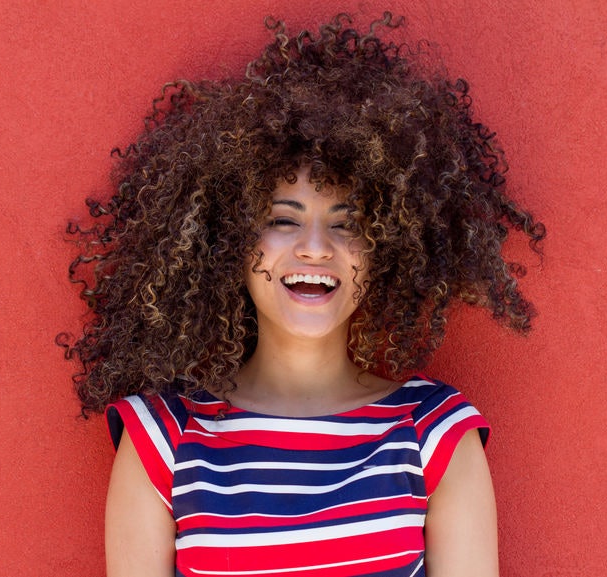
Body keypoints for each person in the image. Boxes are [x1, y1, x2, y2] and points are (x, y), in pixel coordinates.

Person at [62, 12, 544, 577]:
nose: (316, 247)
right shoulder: (163, 440)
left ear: (388, 243)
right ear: (227, 239)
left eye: (347, 222)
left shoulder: (432, 432)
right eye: (283, 220)